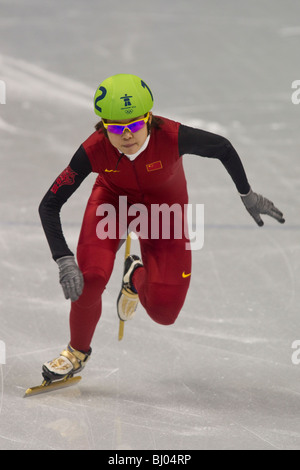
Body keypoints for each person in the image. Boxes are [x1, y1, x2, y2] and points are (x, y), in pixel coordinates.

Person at [38, 73, 285, 382]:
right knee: (89, 280)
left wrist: (247, 195)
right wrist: (63, 258)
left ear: (148, 118)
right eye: (115, 128)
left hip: (163, 211)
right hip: (112, 204)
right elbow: (49, 205)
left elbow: (222, 147)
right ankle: (76, 352)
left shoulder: (173, 136)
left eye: (135, 125)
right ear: (103, 126)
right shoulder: (93, 150)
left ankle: (134, 275)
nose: (126, 136)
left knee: (164, 313)